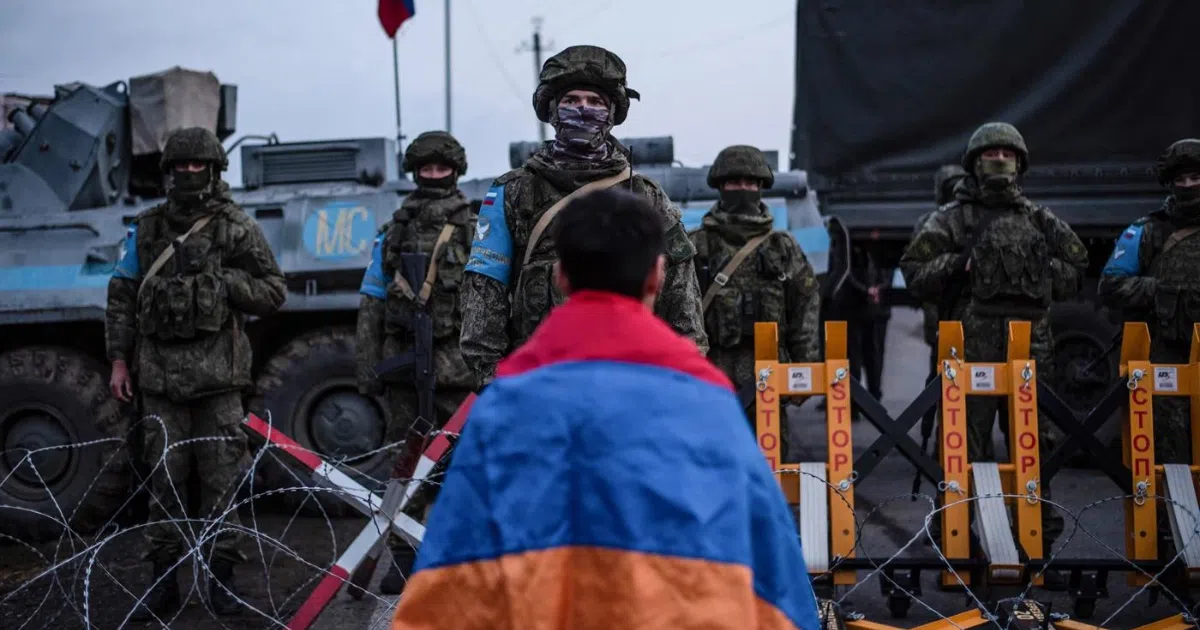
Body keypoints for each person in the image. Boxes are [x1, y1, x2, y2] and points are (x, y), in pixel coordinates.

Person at [390, 188, 821, 630]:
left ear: (561, 277)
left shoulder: (506, 406)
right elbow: (776, 582)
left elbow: (447, 589)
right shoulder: (706, 402)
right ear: (657, 276)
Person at [105, 127, 287, 619]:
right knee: (163, 486)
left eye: (197, 166)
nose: (189, 173)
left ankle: (221, 584)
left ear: (213, 169)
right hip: (160, 383)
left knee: (221, 485)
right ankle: (163, 585)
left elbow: (273, 291)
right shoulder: (145, 230)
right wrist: (120, 361)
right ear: (168, 172)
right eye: (180, 166)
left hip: (219, 384)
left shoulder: (234, 227)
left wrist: (225, 282)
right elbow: (121, 296)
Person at [459, 44, 708, 388]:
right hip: (540, 378)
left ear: (611, 113)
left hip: (630, 379)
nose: (583, 109)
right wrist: (493, 375)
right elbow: (485, 286)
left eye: (595, 102)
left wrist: (685, 368)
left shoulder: (646, 195)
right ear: (553, 110)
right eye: (571, 100)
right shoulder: (513, 192)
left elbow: (680, 290)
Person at [900, 122, 1086, 574]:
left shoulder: (1039, 219)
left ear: (1020, 163)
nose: (999, 160)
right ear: (973, 163)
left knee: (1035, 448)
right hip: (971, 352)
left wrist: (1035, 273)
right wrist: (961, 265)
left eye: (1007, 153)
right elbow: (914, 271)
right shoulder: (950, 219)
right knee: (963, 447)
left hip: (1030, 353)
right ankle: (960, 544)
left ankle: (1035, 545)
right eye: (989, 154)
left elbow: (1077, 267)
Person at [356, 130, 477, 595]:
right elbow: (371, 298)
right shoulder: (395, 229)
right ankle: (404, 559)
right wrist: (369, 367)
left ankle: (455, 560)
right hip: (405, 366)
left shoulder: (474, 227)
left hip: (458, 371)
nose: (432, 176)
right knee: (406, 470)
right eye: (424, 170)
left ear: (455, 170)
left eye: (440, 169)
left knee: (461, 470)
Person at [687, 144, 820, 457]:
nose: (743, 189)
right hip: (711, 372)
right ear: (720, 186)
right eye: (735, 182)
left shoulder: (781, 246)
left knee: (769, 463)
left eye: (751, 183)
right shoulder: (696, 245)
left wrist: (805, 368)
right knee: (709, 462)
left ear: (761, 187)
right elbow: (673, 309)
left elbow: (806, 305)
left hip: (768, 375)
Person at [1099, 138, 1200, 466]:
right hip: (1167, 359)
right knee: (1171, 455)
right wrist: (1164, 291)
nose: (1188, 186)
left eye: (1195, 178)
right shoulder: (1147, 231)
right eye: (1180, 180)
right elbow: (1111, 284)